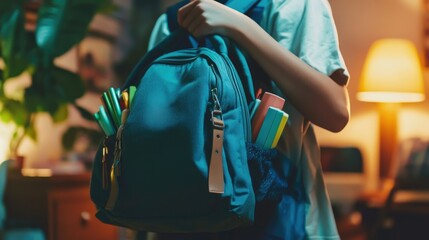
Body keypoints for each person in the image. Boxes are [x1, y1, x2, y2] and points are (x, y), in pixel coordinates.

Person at [146, 0, 350, 239]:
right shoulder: (172, 22)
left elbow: (335, 113)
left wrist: (240, 26)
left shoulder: (294, 5)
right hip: (180, 222)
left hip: (278, 220)